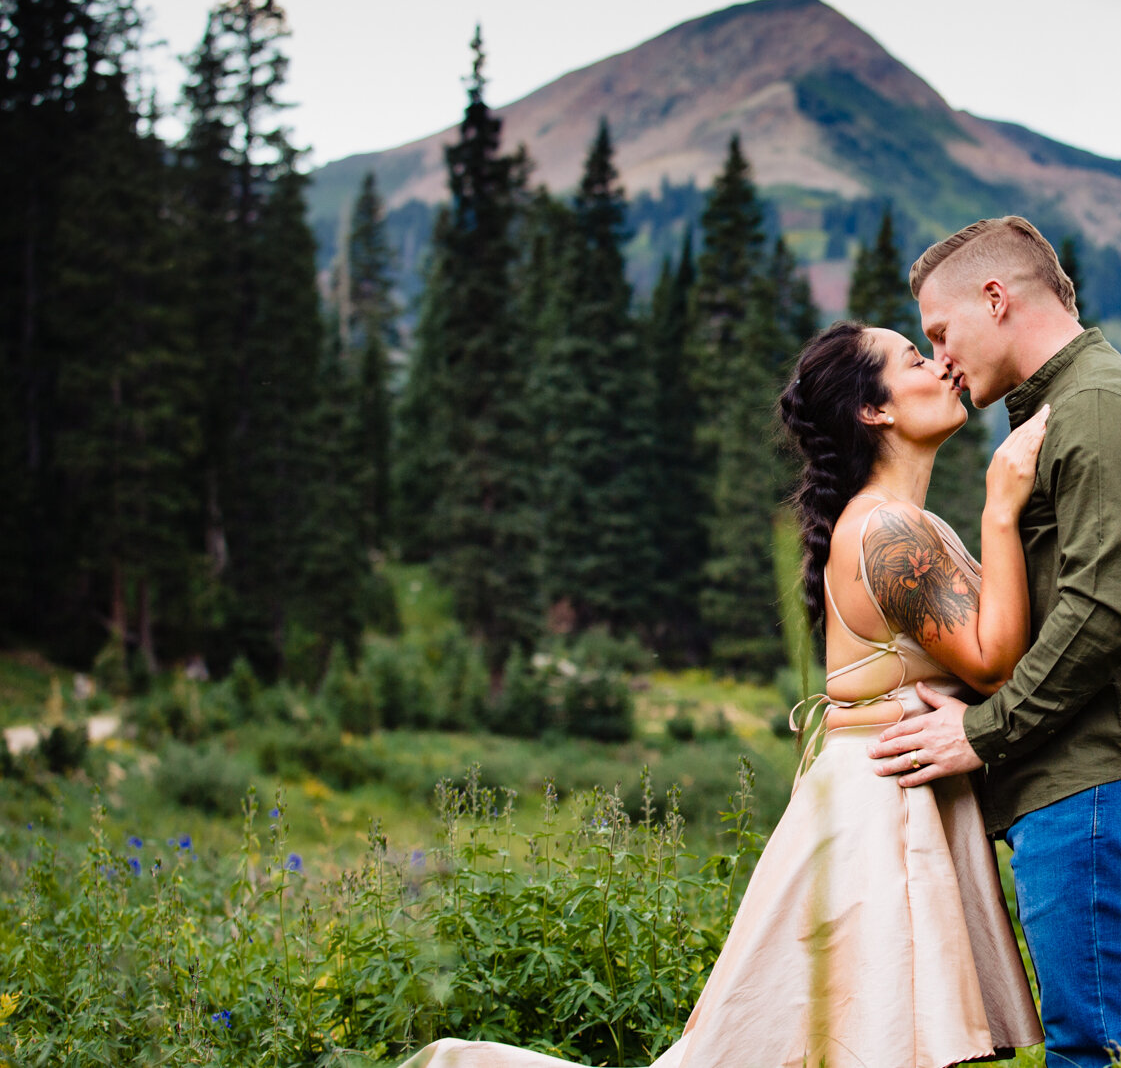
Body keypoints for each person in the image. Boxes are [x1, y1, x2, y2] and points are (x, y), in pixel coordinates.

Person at [398, 320, 1049, 1068]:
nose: (940, 365)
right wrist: (1002, 506)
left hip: (870, 798)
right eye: (913, 358)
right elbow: (998, 664)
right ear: (876, 411)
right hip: (882, 816)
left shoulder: (887, 522)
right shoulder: (888, 529)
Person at [868, 216, 1121, 1068]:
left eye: (941, 333)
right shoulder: (1065, 409)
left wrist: (978, 733)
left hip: (1105, 774)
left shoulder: (1096, 407)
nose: (941, 357)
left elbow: (1102, 613)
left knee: (1103, 1053)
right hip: (1086, 782)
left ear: (997, 297)